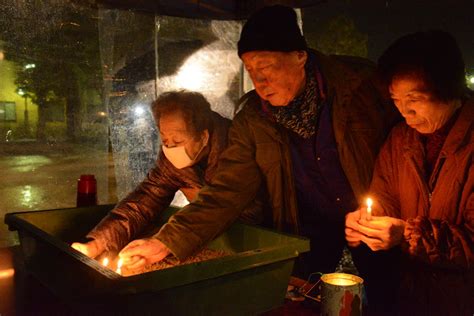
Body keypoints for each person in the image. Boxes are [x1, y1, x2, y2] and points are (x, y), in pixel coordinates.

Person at [117, 5, 399, 277]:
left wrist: (393, 214)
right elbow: (227, 191)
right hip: (306, 230)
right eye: (250, 69)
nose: (259, 81)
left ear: (300, 56)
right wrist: (165, 242)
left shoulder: (360, 86)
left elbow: (402, 150)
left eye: (266, 66)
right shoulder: (253, 119)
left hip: (376, 223)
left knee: (388, 293)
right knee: (306, 296)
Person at [345, 30, 473, 315]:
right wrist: (369, 221)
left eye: (414, 99)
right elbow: (384, 196)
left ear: (447, 88)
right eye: (396, 100)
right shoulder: (400, 141)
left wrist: (408, 235)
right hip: (410, 299)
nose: (405, 112)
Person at [72, 90, 262, 261]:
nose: (171, 148)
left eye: (178, 140)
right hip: (208, 237)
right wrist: (97, 244)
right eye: (165, 140)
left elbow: (224, 201)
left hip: (261, 237)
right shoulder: (170, 161)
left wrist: (163, 242)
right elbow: (143, 202)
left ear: (203, 137)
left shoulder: (237, 146)